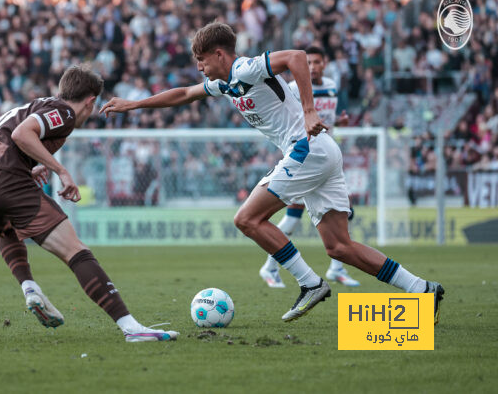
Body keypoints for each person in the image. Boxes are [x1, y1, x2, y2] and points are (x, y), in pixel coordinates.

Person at [100, 23, 444, 324]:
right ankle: (423, 289)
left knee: (247, 219)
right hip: (320, 151)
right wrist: (135, 104)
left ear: (220, 54)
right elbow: (185, 94)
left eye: (202, 60)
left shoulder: (247, 68)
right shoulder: (225, 84)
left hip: (307, 148)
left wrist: (309, 111)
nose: (200, 68)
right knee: (339, 247)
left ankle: (310, 284)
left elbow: (296, 56)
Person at [0, 66, 178, 342]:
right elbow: (22, 135)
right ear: (89, 101)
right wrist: (60, 170)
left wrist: (27, 167)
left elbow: (3, 142)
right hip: (2, 181)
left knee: (7, 227)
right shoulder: (65, 112)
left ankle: (30, 288)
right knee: (76, 252)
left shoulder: (33, 105)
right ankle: (131, 328)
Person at [259, 46, 360, 289]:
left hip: (324, 156)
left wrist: (339, 122)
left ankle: (335, 268)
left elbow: (326, 119)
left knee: (340, 212)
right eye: (310, 62)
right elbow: (289, 123)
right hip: (303, 160)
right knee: (299, 219)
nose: (313, 67)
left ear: (325, 63)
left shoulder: (332, 86)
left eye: (317, 62)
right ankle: (270, 267)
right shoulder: (294, 88)